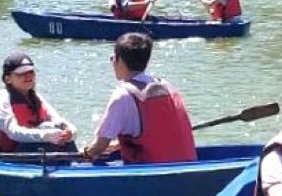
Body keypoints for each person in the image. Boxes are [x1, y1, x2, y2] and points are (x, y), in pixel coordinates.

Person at [80, 32, 196, 164]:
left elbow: (100, 146)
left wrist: (85, 153)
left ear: (121, 61)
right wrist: (118, 145)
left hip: (152, 176)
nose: (112, 62)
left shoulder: (123, 95)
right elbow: (157, 131)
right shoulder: (169, 87)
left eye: (113, 57)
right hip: (187, 168)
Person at [0, 52, 77, 153]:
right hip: (8, 155)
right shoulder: (2, 99)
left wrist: (70, 131)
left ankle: (77, 163)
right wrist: (44, 136)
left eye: (31, 72)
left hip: (32, 146)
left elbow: (57, 120)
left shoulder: (36, 97)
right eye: (21, 73)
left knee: (58, 132)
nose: (28, 76)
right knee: (48, 135)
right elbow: (13, 132)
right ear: (8, 79)